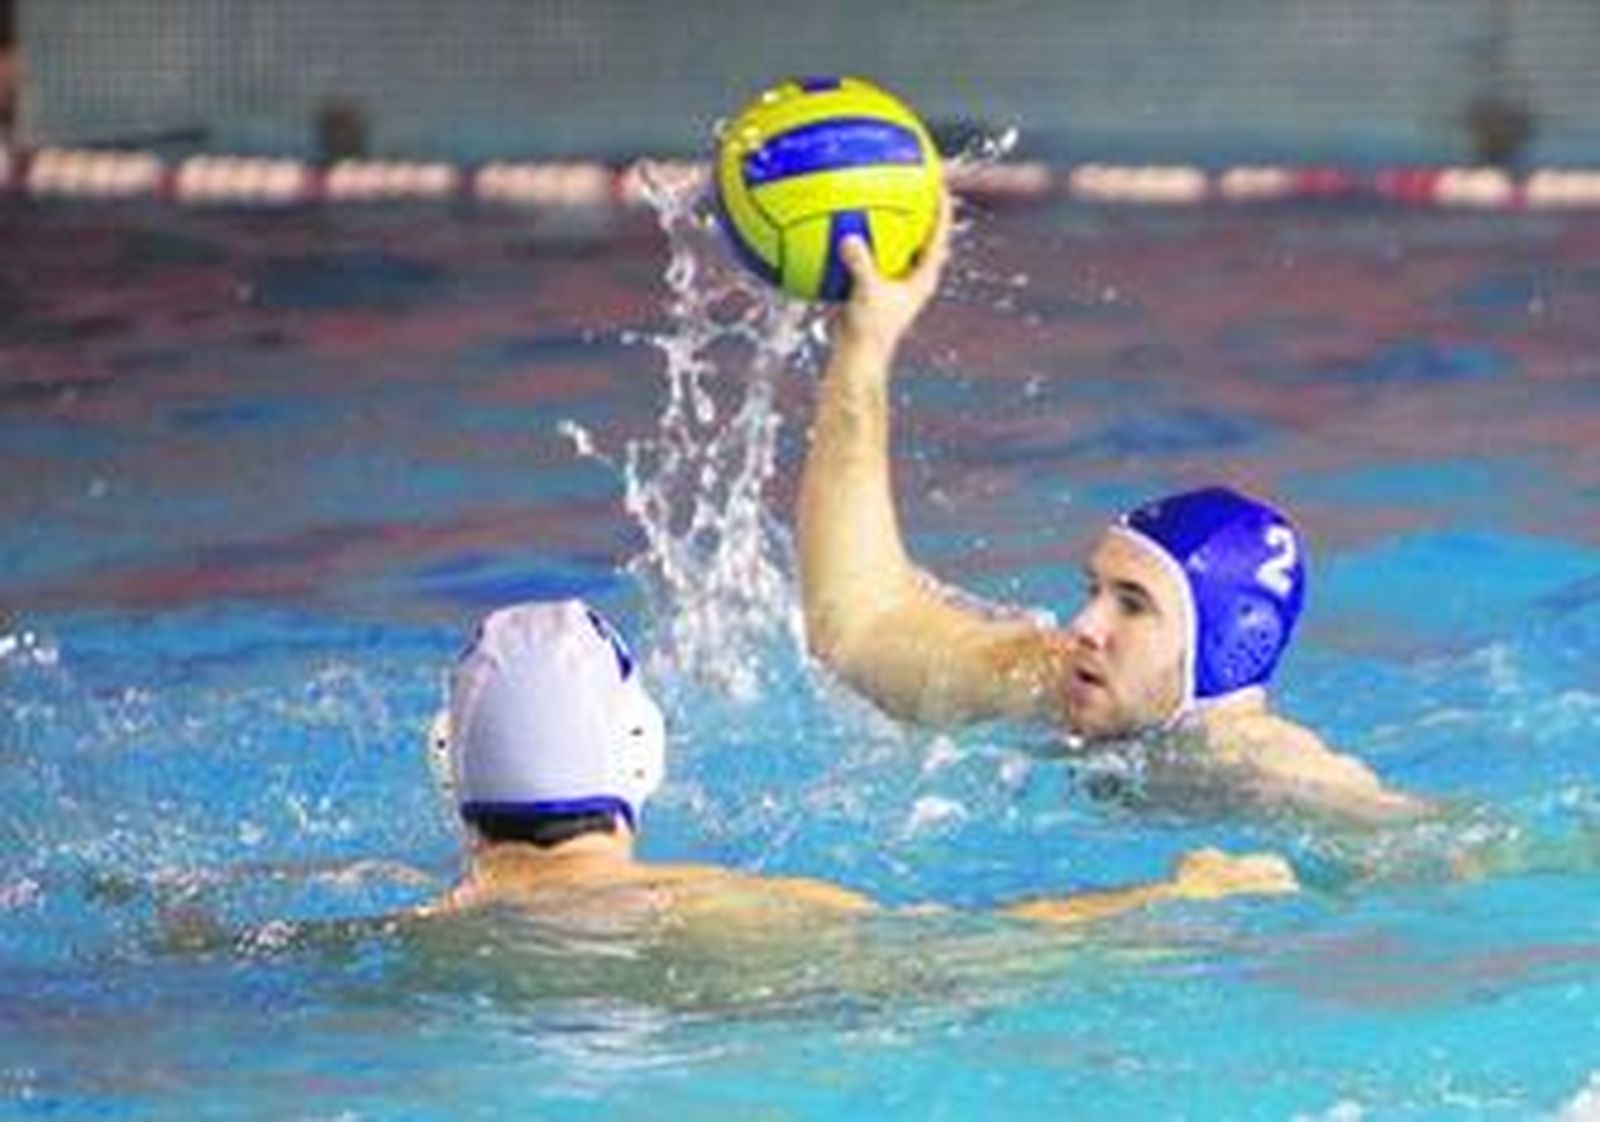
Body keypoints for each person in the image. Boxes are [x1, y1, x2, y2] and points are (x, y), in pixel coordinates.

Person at [796, 195, 1426, 824]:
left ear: (1221, 648)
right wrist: (863, 350)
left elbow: (1451, 855)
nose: (1084, 627)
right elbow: (857, 624)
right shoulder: (1047, 684)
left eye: (1133, 603)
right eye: (1094, 590)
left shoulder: (1281, 780)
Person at [423, 598, 1298, 926]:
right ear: (643, 752)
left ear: (450, 770)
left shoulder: (400, 932)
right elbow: (979, 950)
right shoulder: (741, 912)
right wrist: (1178, 898)